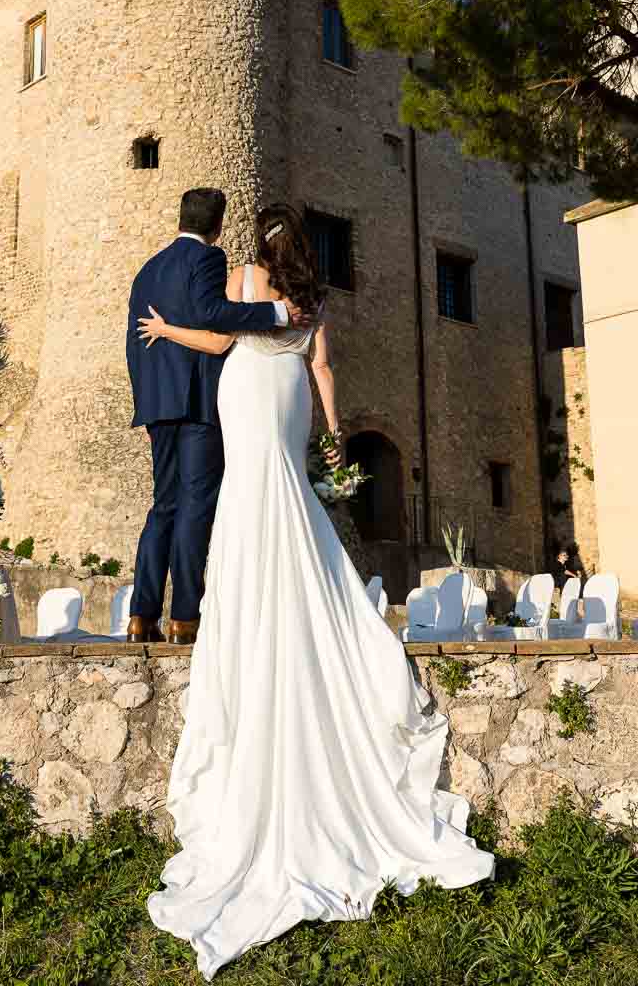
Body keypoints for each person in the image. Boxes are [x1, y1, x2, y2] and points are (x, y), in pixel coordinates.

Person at [136, 203, 495, 980]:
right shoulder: (311, 297)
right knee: (290, 497)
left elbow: (220, 336)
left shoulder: (245, 278)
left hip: (244, 391)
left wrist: (166, 334)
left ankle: (247, 613)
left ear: (259, 249)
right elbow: (321, 367)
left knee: (245, 499)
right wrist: (332, 429)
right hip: (289, 397)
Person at [125, 188, 310, 646]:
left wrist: (148, 398)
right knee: (195, 505)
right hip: (197, 401)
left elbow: (134, 341)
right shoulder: (208, 259)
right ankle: (185, 616)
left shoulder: (147, 269)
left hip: (158, 403)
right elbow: (215, 314)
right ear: (218, 226)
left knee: (162, 505)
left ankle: (140, 615)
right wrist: (275, 312)